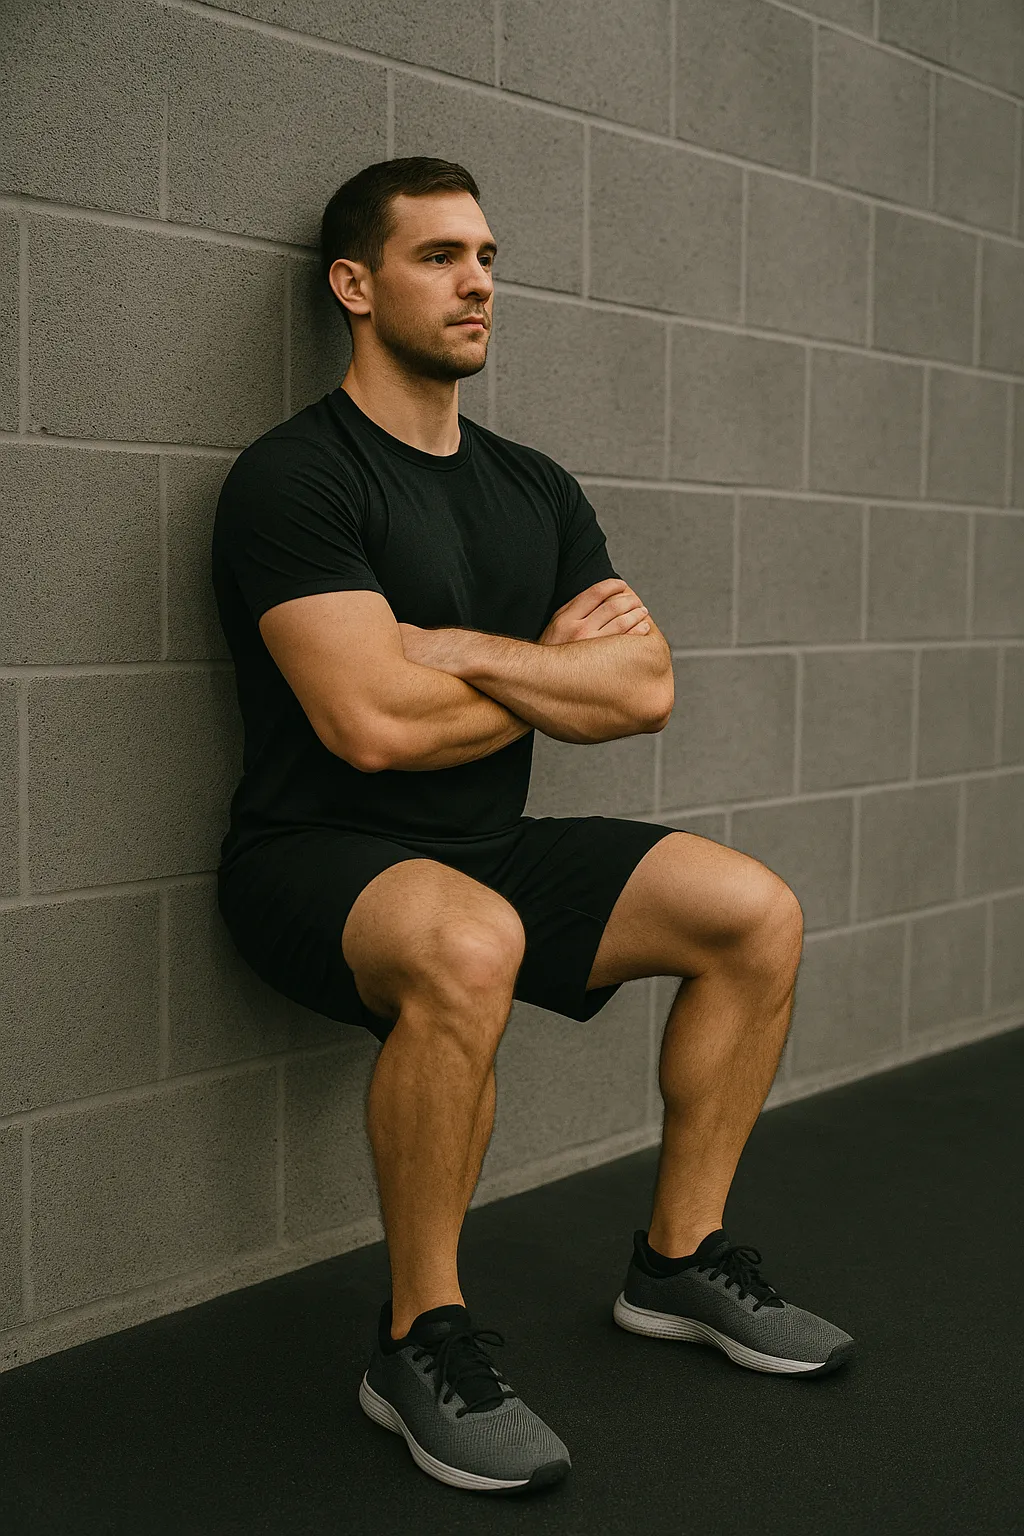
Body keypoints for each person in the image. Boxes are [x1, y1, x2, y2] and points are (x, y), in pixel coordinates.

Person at [211, 156, 853, 1497]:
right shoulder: (293, 480)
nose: (479, 283)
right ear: (355, 286)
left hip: (486, 855)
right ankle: (417, 1339)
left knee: (757, 914)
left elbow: (648, 688)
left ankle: (678, 1263)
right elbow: (369, 729)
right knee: (473, 938)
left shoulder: (535, 488)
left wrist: (446, 648)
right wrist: (545, 678)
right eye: (440, 256)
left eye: (488, 256)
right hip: (314, 858)